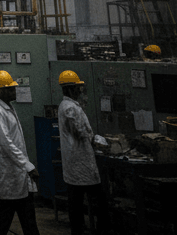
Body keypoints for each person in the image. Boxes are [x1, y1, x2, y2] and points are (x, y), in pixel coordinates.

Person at [0, 71, 40, 235]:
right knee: (9, 217)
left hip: (16, 175)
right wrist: (28, 166)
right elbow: (7, 144)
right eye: (10, 89)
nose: (14, 91)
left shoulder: (8, 108)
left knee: (23, 217)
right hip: (9, 174)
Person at [57, 70, 108, 235]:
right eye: (78, 88)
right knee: (96, 201)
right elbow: (80, 133)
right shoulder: (70, 108)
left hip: (77, 162)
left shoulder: (68, 106)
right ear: (71, 89)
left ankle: (79, 230)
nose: (81, 91)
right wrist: (96, 140)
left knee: (76, 202)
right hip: (80, 162)